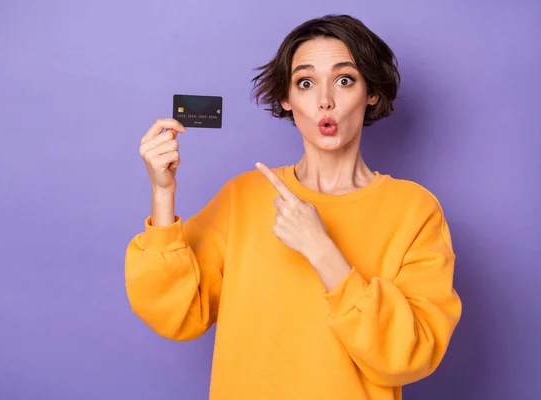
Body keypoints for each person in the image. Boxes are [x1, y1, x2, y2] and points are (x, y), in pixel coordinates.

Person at [125, 14, 462, 400]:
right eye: (306, 82)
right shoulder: (244, 196)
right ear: (287, 98)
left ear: (371, 92)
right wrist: (163, 192)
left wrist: (321, 249)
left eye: (344, 80)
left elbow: (409, 355)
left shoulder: (414, 210)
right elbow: (175, 313)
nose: (325, 101)